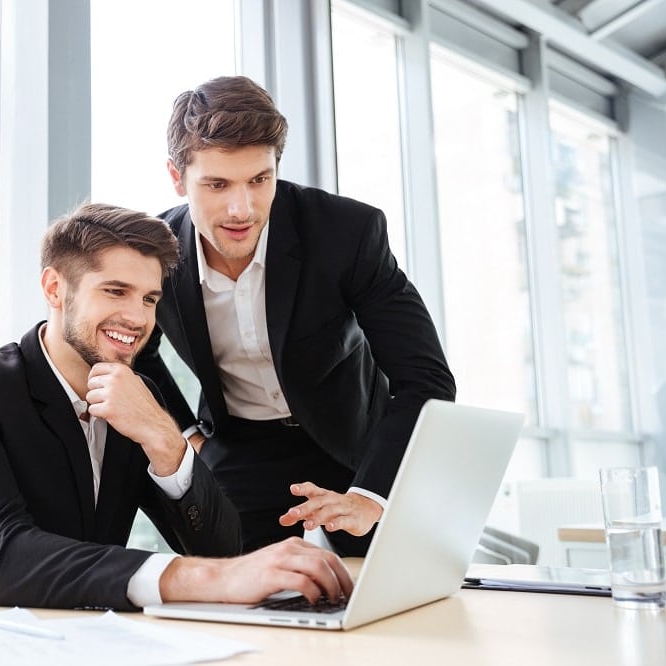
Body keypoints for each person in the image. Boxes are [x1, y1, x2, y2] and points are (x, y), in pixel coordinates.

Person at [0, 202, 352, 611]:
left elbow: (224, 552)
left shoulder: (137, 397)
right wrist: (196, 578)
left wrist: (165, 439)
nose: (139, 318)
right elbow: (0, 558)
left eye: (149, 299)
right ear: (55, 289)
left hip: (90, 642)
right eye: (115, 291)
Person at [135, 76, 456, 556]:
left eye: (259, 180)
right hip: (239, 448)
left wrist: (372, 495)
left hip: (356, 444)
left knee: (388, 601)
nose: (241, 208)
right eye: (217, 184)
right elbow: (133, 350)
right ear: (177, 178)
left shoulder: (346, 233)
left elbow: (425, 377)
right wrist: (187, 434)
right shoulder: (153, 252)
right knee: (239, 598)